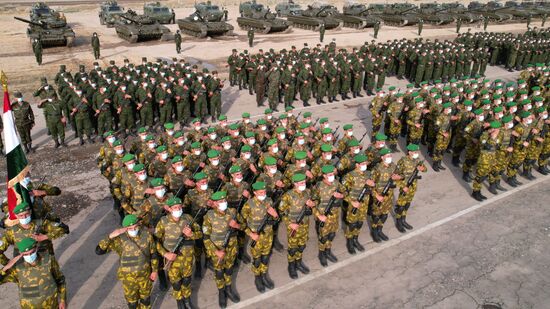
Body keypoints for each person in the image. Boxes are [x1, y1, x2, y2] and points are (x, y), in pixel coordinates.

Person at [96, 214, 158, 309]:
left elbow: (153, 254)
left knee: (146, 300)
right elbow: (99, 251)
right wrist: (111, 236)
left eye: (135, 227)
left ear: (138, 225)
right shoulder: (119, 240)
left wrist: (154, 271)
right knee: (132, 304)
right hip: (128, 279)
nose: (133, 230)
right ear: (125, 228)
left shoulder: (147, 236)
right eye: (130, 228)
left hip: (144, 276)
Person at [0, 238, 67, 309]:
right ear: (21, 253)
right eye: (26, 254)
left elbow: (60, 279)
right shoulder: (17, 268)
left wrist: (63, 300)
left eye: (32, 252)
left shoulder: (49, 260)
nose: (29, 256)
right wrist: (5, 268)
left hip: (51, 304)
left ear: (36, 248)